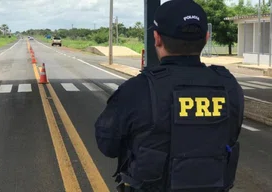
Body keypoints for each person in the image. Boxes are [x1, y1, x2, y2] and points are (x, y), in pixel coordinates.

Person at [94, 0, 244, 191]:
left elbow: (107, 145)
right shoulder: (229, 86)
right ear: (206, 38)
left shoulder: (137, 89)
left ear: (156, 38)